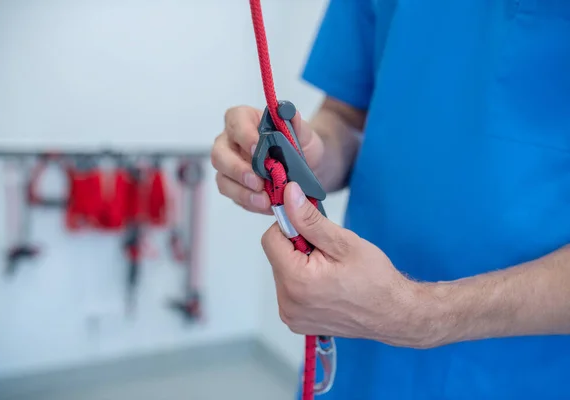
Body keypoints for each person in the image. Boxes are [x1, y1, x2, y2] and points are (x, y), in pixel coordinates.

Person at [212, 1, 570, 398]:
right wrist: (311, 156)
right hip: (358, 357)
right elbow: (347, 117)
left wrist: (424, 315)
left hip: (527, 375)